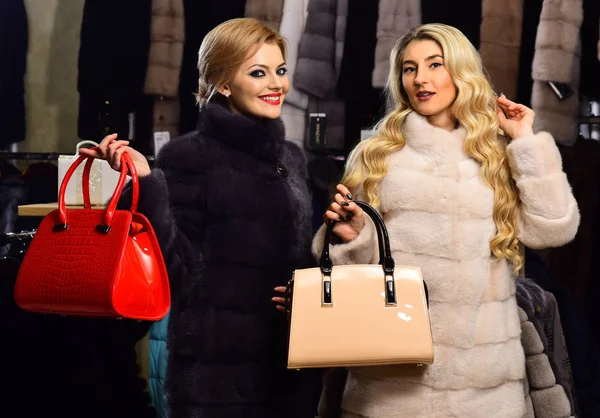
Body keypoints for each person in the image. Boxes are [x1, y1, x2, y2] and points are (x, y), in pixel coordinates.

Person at [312, 23, 580, 417]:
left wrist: (524, 138)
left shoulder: (497, 153)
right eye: (409, 68)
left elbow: (552, 228)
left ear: (461, 71)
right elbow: (348, 270)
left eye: (435, 64)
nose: (421, 78)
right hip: (392, 386)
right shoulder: (377, 155)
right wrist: (353, 236)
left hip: (486, 387)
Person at [80, 18, 316, 418]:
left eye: (280, 70)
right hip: (219, 379)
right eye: (258, 73)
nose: (276, 84)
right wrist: (146, 183)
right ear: (223, 83)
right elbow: (176, 271)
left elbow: (302, 256)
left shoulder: (291, 158)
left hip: (293, 365)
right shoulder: (190, 157)